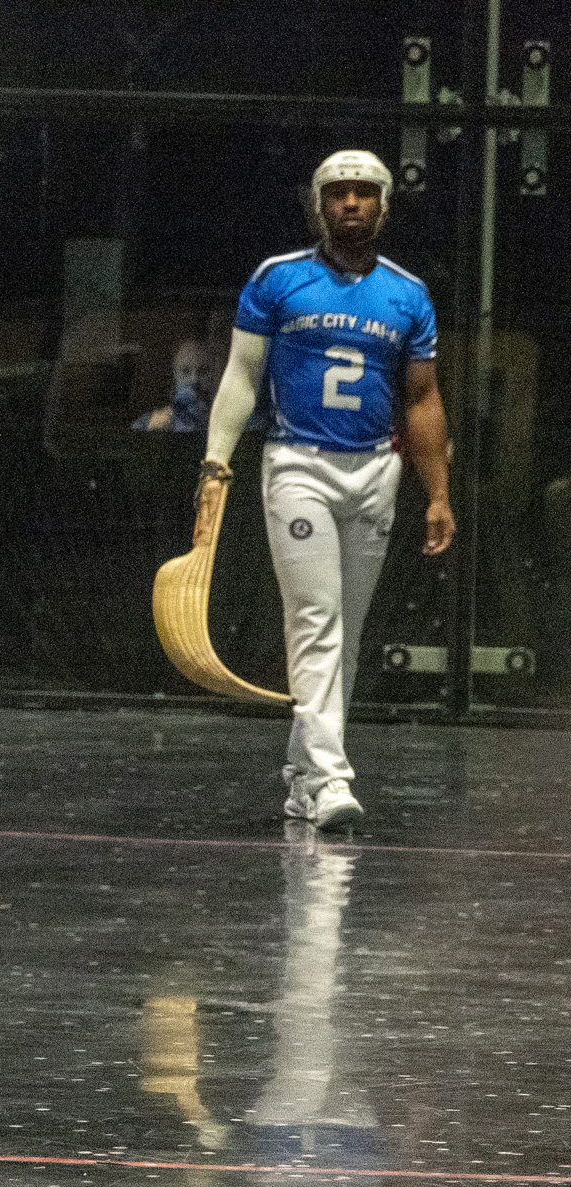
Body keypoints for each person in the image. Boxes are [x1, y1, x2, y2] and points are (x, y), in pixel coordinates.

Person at [200, 149, 454, 829]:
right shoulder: (277, 280)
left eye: (364, 193)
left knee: (346, 632)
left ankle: (302, 776)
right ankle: (333, 777)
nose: (351, 203)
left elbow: (423, 399)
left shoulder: (408, 294)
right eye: (338, 193)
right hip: (298, 465)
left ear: (383, 206)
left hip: (376, 470)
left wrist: (438, 493)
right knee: (315, 619)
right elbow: (241, 377)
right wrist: (215, 461)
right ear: (318, 204)